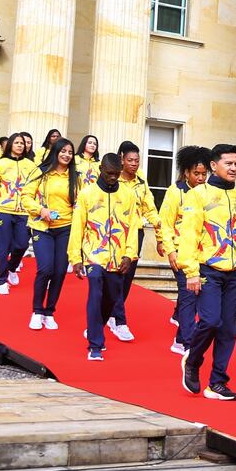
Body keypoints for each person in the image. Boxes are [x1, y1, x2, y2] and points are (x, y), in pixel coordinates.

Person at [179, 144, 236, 401]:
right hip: (208, 270)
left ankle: (217, 382)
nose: (234, 168)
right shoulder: (198, 195)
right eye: (229, 163)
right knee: (211, 321)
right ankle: (193, 360)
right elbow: (189, 234)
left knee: (227, 329)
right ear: (214, 165)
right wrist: (191, 271)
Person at [69, 154, 137, 361]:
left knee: (111, 298)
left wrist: (130, 254)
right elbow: (77, 225)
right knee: (96, 292)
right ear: (101, 170)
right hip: (93, 255)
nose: (113, 178)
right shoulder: (87, 193)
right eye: (109, 174)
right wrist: (75, 257)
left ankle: (96, 328)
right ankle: (96, 345)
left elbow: (133, 225)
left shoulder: (129, 194)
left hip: (118, 257)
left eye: (116, 174)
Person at [105, 141, 171, 342]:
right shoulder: (112, 180)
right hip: (114, 233)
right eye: (130, 160)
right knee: (116, 276)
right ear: (121, 159)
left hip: (136, 234)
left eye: (137, 160)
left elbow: (149, 208)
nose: (134, 164)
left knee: (126, 279)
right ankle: (120, 321)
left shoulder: (141, 181)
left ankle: (110, 313)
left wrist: (160, 230)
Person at [160, 145, 211, 355]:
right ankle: (189, 342)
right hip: (181, 252)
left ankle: (180, 340)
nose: (200, 177)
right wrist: (170, 250)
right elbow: (165, 222)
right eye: (196, 173)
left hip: (202, 254)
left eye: (204, 174)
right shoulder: (176, 191)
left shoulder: (208, 193)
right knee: (189, 294)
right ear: (186, 173)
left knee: (193, 297)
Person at [24, 138, 79, 330]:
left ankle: (49, 312)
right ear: (55, 152)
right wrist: (41, 210)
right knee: (45, 269)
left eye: (70, 152)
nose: (66, 155)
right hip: (42, 227)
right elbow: (25, 198)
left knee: (59, 272)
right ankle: (37, 310)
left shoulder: (75, 177)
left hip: (66, 228)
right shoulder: (41, 172)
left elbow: (80, 204)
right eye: (63, 151)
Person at [0, 133, 38, 295]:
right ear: (10, 145)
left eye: (22, 143)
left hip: (24, 212)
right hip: (3, 210)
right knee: (4, 247)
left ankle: (12, 267)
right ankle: (1, 281)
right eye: (17, 143)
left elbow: (36, 190)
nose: (20, 145)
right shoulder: (1, 163)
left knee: (22, 244)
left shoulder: (31, 165)